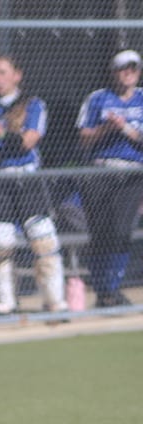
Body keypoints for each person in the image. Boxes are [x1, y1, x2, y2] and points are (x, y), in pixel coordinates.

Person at [0, 54, 67, 315]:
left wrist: (7, 132)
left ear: (17, 75)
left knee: (43, 239)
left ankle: (54, 300)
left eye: (3, 72)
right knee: (0, 241)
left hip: (27, 177)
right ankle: (7, 301)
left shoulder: (32, 104)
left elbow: (30, 138)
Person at [76, 48, 143, 308]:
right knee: (100, 232)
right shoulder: (98, 98)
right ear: (114, 72)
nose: (129, 73)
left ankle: (112, 289)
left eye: (134, 68)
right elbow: (84, 138)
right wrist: (106, 128)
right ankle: (103, 290)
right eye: (124, 68)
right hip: (101, 171)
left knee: (120, 230)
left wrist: (125, 128)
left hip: (131, 172)